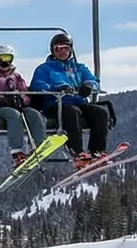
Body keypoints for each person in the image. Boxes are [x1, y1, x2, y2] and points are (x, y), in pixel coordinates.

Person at [29, 32, 108, 169]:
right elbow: (37, 85)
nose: (62, 52)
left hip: (79, 101)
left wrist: (89, 85)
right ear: (52, 50)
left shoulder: (79, 68)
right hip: (56, 104)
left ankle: (96, 151)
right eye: (58, 48)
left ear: (71, 49)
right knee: (72, 111)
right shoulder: (45, 69)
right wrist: (57, 88)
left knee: (101, 112)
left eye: (65, 48)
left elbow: (94, 82)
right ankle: (77, 152)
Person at [0, 45, 50, 168]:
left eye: (8, 58)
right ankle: (17, 152)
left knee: (35, 115)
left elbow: (26, 95)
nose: (5, 61)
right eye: (2, 58)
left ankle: (39, 146)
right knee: (13, 115)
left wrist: (21, 100)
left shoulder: (16, 76)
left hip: (16, 107)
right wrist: (3, 99)